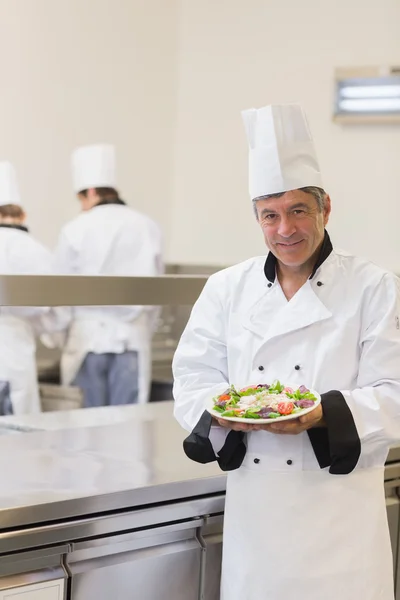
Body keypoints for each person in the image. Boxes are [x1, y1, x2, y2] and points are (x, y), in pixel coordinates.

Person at [173, 104, 400, 600]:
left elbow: (395, 393)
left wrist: (322, 414)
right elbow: (192, 377)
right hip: (258, 519)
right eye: (269, 215)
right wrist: (224, 412)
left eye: (298, 210)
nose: (285, 229)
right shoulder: (225, 288)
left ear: (325, 209)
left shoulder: (375, 288)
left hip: (340, 518)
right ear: (257, 218)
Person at [55, 143, 163, 408]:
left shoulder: (75, 228)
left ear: (90, 192)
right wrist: (143, 330)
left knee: (82, 431)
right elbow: (157, 291)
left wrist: (59, 338)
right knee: (124, 430)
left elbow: (59, 289)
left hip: (86, 341)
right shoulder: (146, 225)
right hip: (132, 341)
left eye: (81, 199)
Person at [0, 161, 68, 415]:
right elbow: (57, 316)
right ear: (22, 214)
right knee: (17, 436)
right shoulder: (37, 250)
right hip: (17, 354)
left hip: (17, 349)